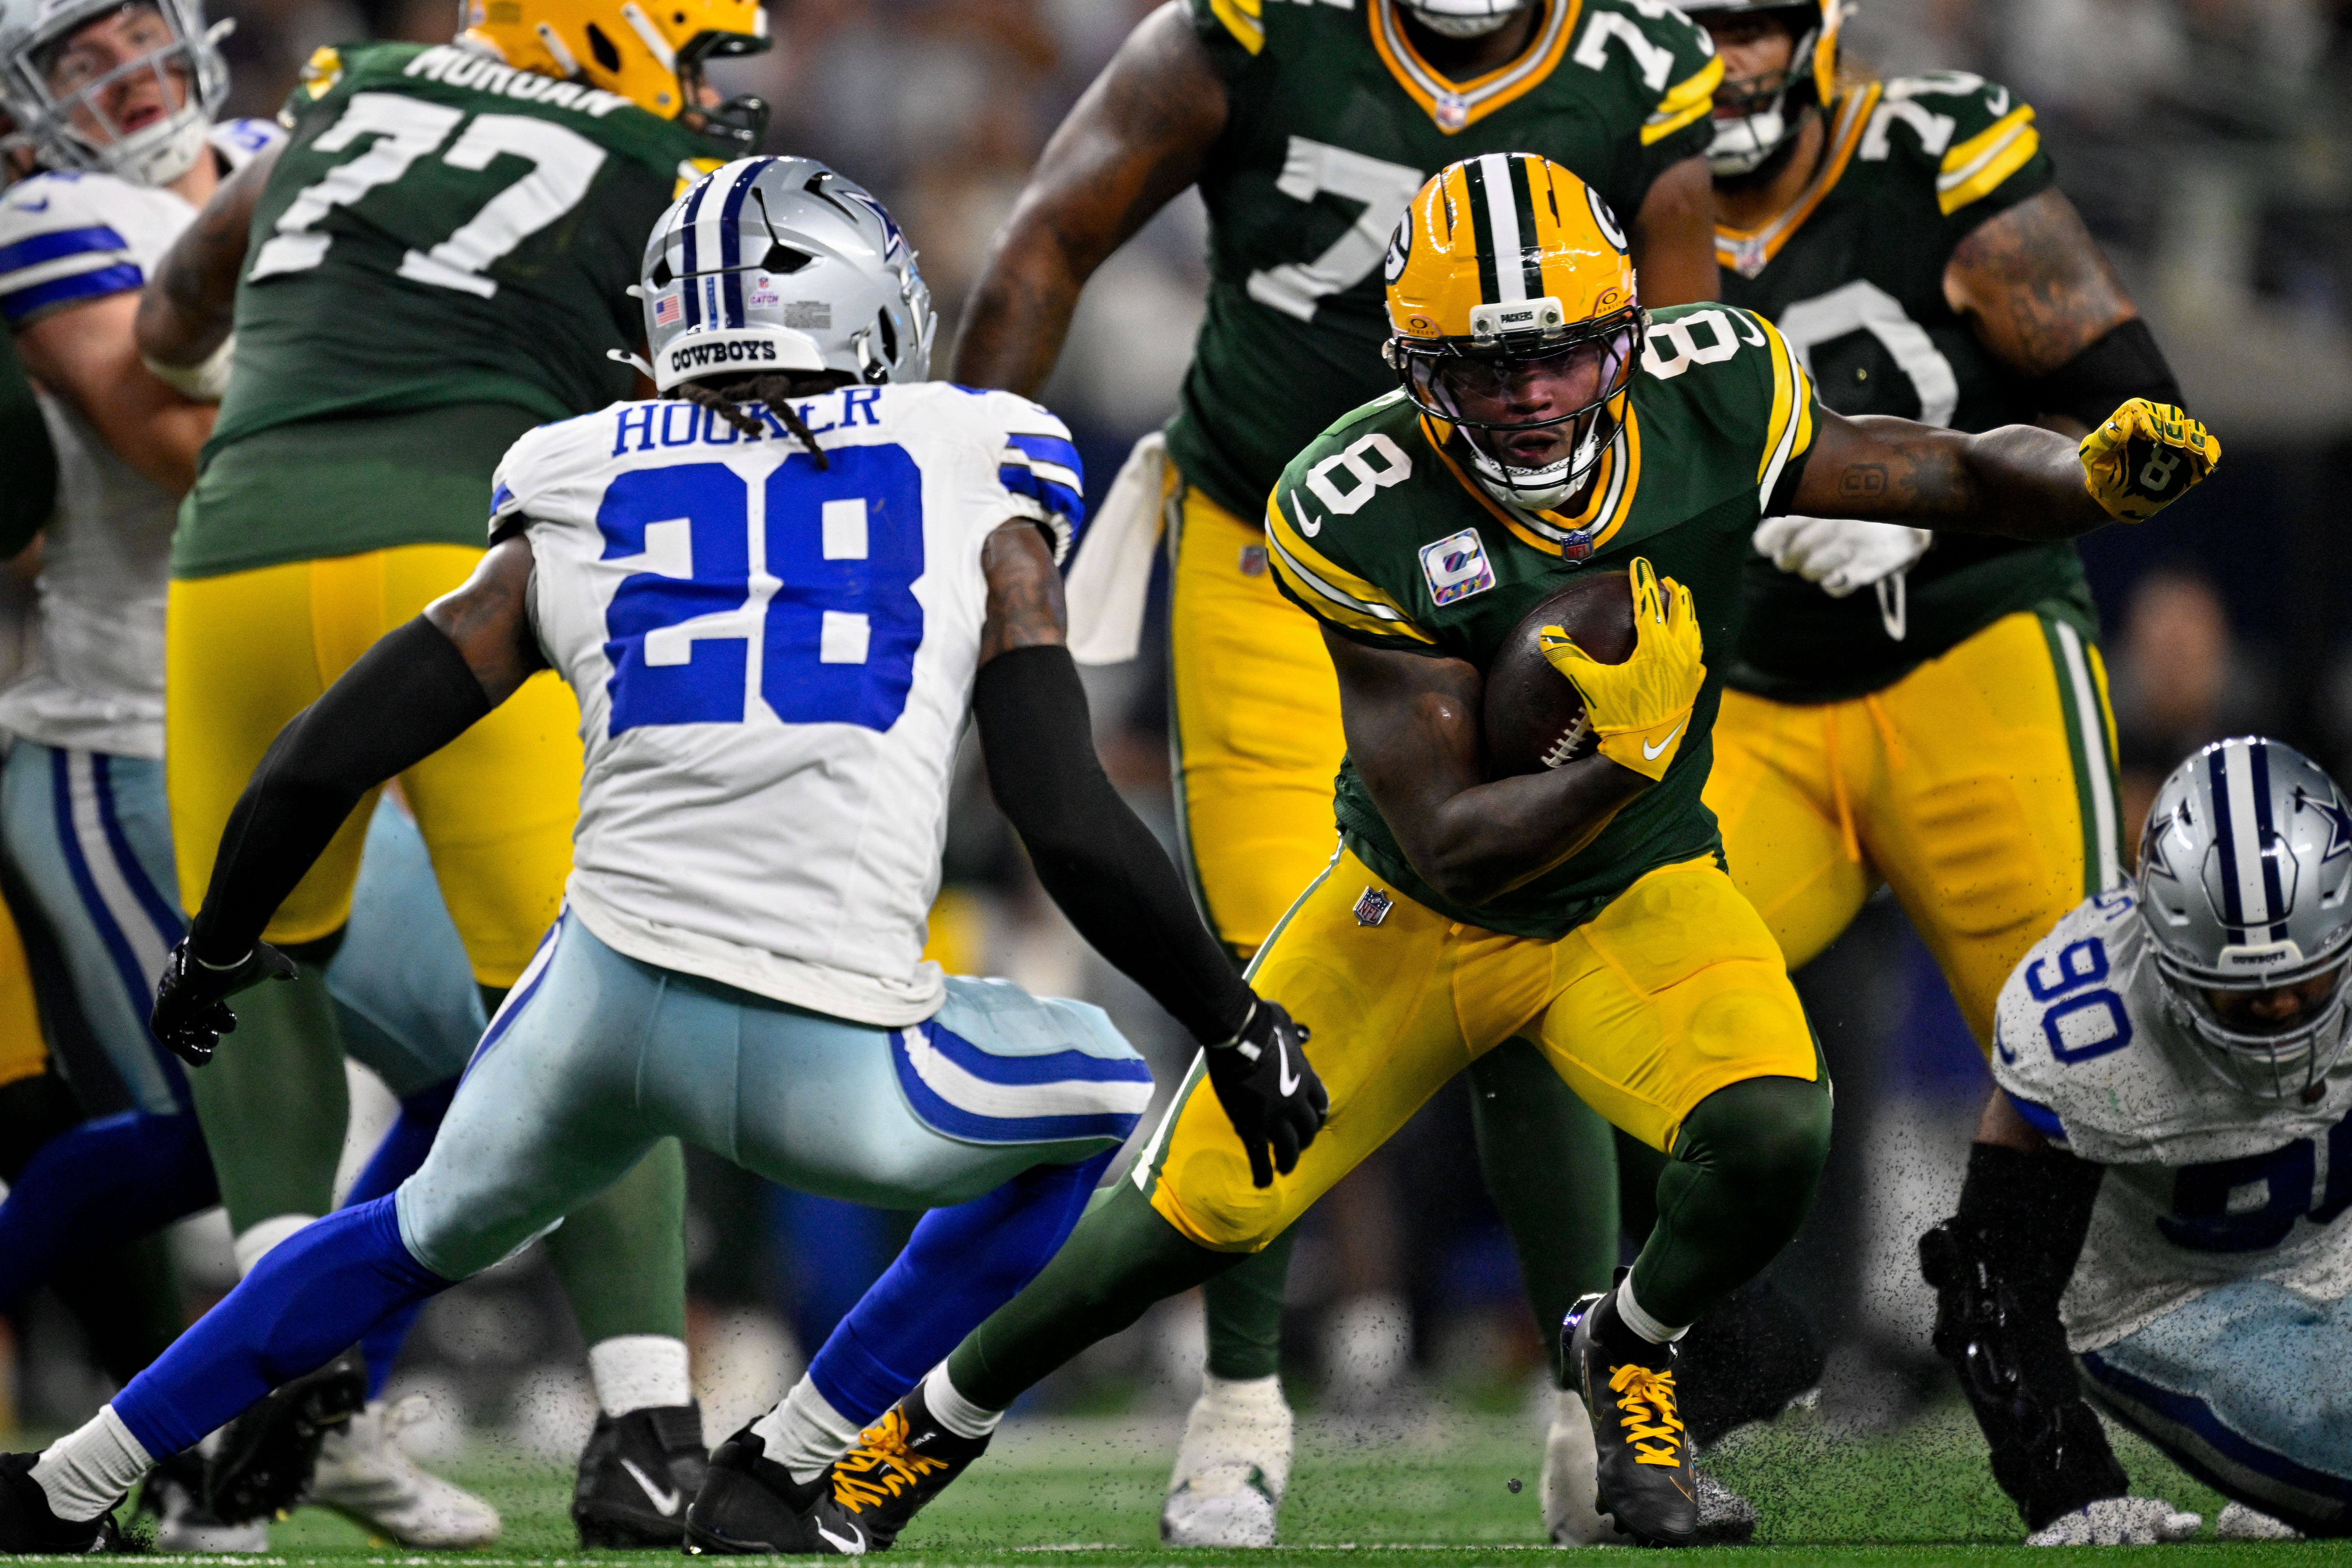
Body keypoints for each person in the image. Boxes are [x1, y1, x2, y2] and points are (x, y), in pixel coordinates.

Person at [781, 151, 2215, 1553]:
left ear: (1626, 339)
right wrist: (1624, 757)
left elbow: (1950, 471)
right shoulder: (1348, 504)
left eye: (1562, 356)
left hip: (1636, 888)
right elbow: (1453, 842)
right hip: (1414, 914)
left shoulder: (1714, 379)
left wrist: (2086, 472)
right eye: (1484, 366)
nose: (1528, 396)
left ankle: (1629, 1349)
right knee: (1183, 1212)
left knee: (1776, 1128)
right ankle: (930, 1418)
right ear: (1412, 371)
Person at [0, 155, 1330, 1560]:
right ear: (861, 305)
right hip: (827, 1047)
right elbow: (1060, 809)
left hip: (591, 1007)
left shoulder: (571, 473)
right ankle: (790, 1460)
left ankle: (74, 1475)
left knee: (403, 1229)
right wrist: (1233, 1021)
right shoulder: (974, 456)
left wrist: (218, 942)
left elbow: (328, 750)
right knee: (1094, 1082)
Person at [948, 0, 1728, 1541]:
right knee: (1258, 976)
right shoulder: (1249, 32)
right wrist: (963, 487)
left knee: (1526, 948)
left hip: (1515, 561)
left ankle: (1598, 1414)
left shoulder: (1635, 70)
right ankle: (1241, 1400)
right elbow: (1046, 237)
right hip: (1269, 533)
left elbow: (1691, 361)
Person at [1457, 0, 2197, 1535]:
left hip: (1970, 644)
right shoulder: (1573, 207)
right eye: (1692, 26)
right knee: (1620, 999)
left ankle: (2087, 1438)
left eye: (1752, 22)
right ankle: (1677, 1372)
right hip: (1758, 691)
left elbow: (2137, 412)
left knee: (2092, 1055)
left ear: (1817, 28)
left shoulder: (1926, 154)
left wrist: (1938, 500)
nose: (1726, 60)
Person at [127, 0, 771, 1538]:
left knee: (259, 965)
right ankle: (642, 1423)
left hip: (234, 556)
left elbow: (169, 322)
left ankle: (276, 1386)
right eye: (691, 51)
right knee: (592, 989)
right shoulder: (662, 160)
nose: (706, 91)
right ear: (614, 34)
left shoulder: (353, 92)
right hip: (460, 560)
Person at [0, 0, 510, 1543]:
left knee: (506, 1063)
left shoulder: (296, 153)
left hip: (303, 725)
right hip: (130, 744)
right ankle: (248, 1411)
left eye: (137, 34)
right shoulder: (49, 215)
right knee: (205, 1136)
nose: (130, 74)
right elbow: (170, 439)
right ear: (30, 100)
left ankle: (324, 1412)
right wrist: (396, 396)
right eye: (80, 59)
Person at [1922, 736, 2352, 1544]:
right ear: (2164, 952)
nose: (2278, 1008)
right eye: (2237, 991)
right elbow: (1992, 1267)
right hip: (2173, 1300)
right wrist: (2068, 1481)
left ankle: (2290, 1486)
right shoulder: (2093, 1027)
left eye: (2307, 976)